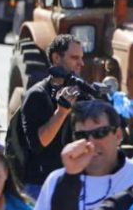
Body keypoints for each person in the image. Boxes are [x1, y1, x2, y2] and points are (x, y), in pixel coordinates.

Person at [20, 34, 86, 198]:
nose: (81, 64)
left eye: (82, 58)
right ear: (56, 58)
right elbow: (39, 143)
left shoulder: (81, 93)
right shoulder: (37, 95)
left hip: (73, 181)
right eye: (74, 58)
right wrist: (61, 112)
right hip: (40, 185)